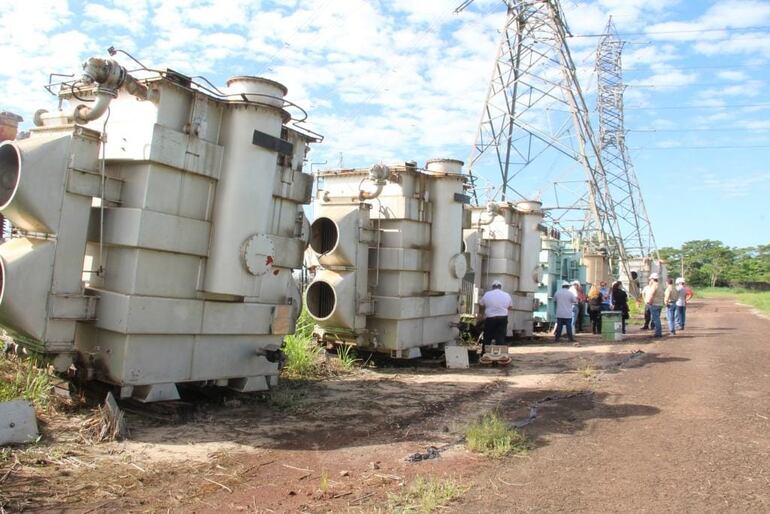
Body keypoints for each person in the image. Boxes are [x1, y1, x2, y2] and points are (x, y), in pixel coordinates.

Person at [479, 280, 512, 351]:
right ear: (501, 287)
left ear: (492, 287)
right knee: (500, 337)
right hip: (502, 318)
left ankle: (485, 353)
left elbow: (481, 304)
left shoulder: (487, 294)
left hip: (490, 318)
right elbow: (510, 306)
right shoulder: (507, 295)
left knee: (487, 337)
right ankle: (499, 354)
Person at [643, 272, 664, 338]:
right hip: (660, 303)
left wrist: (649, 302)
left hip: (654, 304)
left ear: (652, 279)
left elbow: (652, 295)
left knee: (656, 319)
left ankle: (658, 333)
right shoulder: (660, 285)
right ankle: (658, 332)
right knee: (657, 318)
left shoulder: (654, 286)